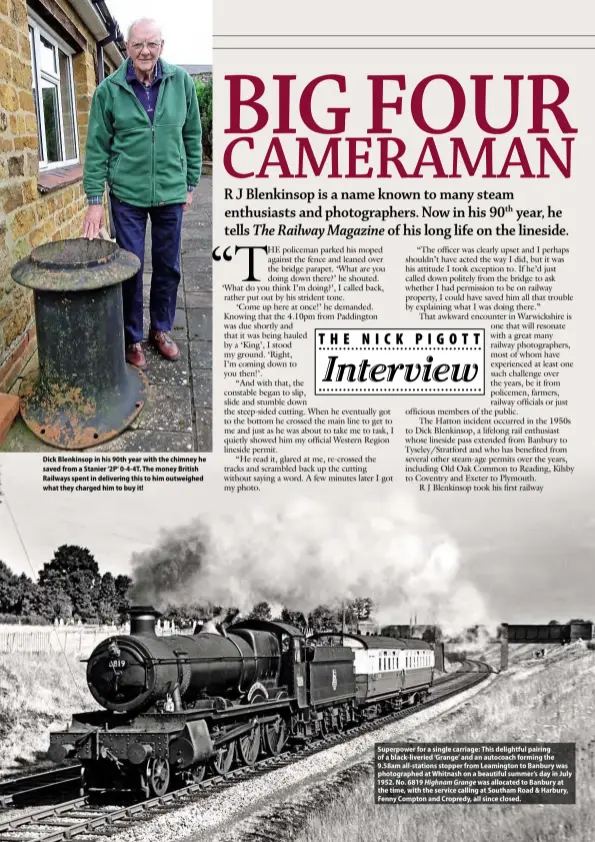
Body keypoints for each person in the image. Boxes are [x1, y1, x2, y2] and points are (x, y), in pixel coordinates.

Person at [82, 18, 202, 369]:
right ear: (127, 48)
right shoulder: (109, 90)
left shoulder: (182, 83)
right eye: (137, 45)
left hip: (170, 193)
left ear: (162, 45)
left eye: (151, 44)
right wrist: (94, 202)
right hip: (127, 196)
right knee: (130, 267)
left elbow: (192, 137)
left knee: (168, 266)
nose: (145, 51)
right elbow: (96, 149)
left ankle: (160, 330)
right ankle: (132, 337)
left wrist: (190, 184)